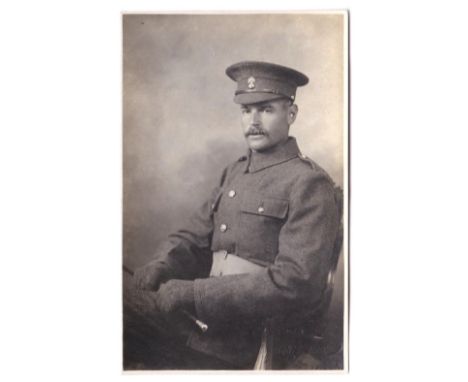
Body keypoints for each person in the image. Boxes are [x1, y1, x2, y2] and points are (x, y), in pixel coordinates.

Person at [123, 61, 343, 370]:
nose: (253, 121)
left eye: (265, 109)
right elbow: (194, 236)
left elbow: (297, 283)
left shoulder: (309, 183)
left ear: (291, 115)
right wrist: (164, 263)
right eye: (245, 110)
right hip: (201, 325)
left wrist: (193, 293)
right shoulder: (235, 171)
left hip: (249, 341)